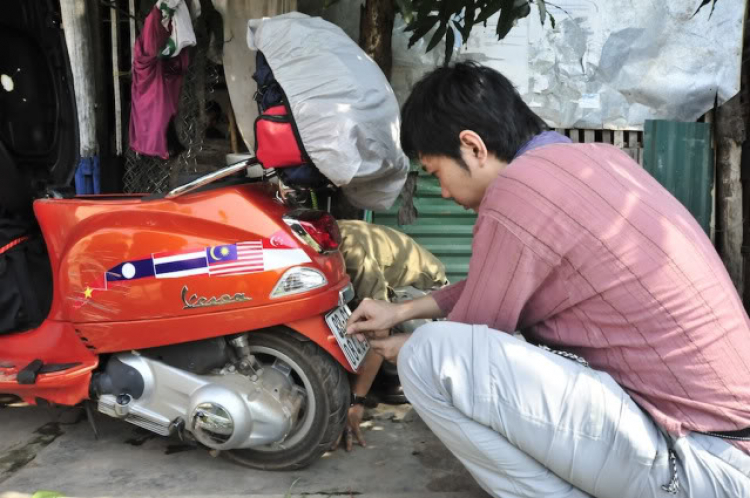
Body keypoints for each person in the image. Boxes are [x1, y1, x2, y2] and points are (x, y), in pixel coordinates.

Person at [346, 62, 750, 497]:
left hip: (699, 464)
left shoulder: (518, 189)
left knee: (426, 358)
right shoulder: (593, 161)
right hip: (726, 449)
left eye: (435, 173)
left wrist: (399, 347)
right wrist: (401, 309)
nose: (442, 192)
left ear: (473, 147)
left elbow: (467, 341)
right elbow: (493, 281)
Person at [331, 220, 448, 452]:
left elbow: (379, 329)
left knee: (394, 372)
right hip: (393, 285)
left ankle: (392, 377)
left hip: (428, 295)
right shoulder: (328, 236)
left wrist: (356, 401)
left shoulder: (352, 252)